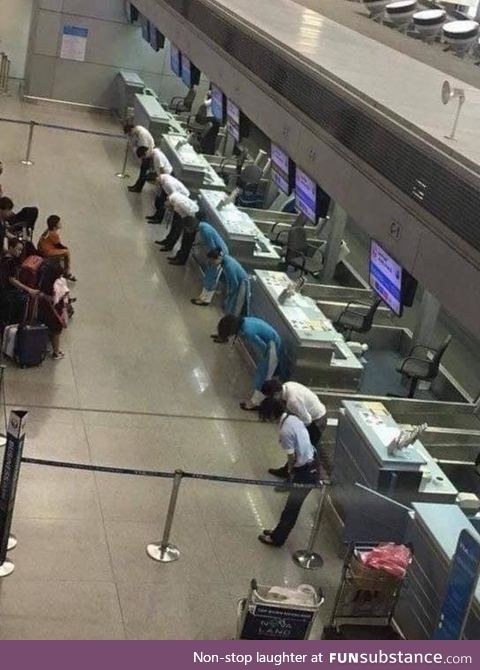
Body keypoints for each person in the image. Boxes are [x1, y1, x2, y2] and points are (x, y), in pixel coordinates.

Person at [257, 397, 319, 547]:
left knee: (291, 508)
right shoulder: (293, 419)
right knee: (290, 507)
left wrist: (291, 472)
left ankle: (277, 539)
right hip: (312, 461)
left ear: (272, 415)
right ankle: (276, 532)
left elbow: (291, 457)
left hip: (306, 472)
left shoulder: (285, 431)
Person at [213, 314, 286, 410]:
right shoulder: (244, 321)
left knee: (263, 376)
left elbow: (263, 346)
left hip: (272, 347)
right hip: (273, 341)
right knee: (264, 373)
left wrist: (265, 362)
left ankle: (256, 402)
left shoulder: (248, 332)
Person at [261, 379, 329, 478]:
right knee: (299, 451)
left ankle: (295, 477)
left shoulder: (292, 401)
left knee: (303, 452)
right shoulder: (287, 386)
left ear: (276, 394)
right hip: (315, 413)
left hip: (317, 420)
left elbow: (307, 420)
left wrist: (295, 432)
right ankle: (287, 471)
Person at [192, 248, 251, 316]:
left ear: (217, 258)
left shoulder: (229, 266)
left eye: (213, 261)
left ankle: (233, 318)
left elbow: (234, 283)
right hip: (237, 281)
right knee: (232, 302)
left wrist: (230, 293)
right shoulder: (224, 260)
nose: (213, 264)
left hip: (242, 283)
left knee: (237, 304)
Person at [157, 193, 199, 265]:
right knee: (183, 240)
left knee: (186, 241)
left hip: (192, 219)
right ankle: (178, 256)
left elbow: (185, 217)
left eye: (169, 208)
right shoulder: (173, 198)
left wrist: (186, 225)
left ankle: (181, 260)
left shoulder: (177, 205)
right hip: (190, 216)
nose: (169, 210)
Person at [37, 215, 76, 281]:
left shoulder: (47, 231)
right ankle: (67, 272)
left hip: (42, 249)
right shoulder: (54, 234)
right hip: (47, 252)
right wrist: (65, 248)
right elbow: (59, 245)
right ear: (55, 226)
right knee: (66, 252)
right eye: (59, 223)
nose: (60, 223)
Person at [124, 123, 155, 193]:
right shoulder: (138, 130)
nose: (131, 135)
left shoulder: (141, 133)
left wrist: (141, 156)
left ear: (131, 130)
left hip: (147, 153)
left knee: (143, 173)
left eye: (130, 133)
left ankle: (138, 188)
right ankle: (136, 186)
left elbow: (143, 147)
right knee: (142, 171)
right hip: (146, 152)